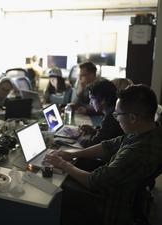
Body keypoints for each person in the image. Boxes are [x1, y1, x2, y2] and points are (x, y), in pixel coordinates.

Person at [45, 84, 162, 225]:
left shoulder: (138, 152)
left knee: (54, 187)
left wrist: (62, 164)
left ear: (132, 117)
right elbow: (108, 145)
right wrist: (71, 155)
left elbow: (93, 181)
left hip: (110, 204)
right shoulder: (146, 132)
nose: (116, 119)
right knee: (70, 171)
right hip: (117, 188)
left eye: (118, 115)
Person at [76, 79, 123, 148]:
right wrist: (94, 131)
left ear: (103, 100)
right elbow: (108, 135)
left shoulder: (111, 117)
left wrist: (77, 138)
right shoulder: (113, 111)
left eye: (92, 98)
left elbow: (92, 144)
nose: (90, 103)